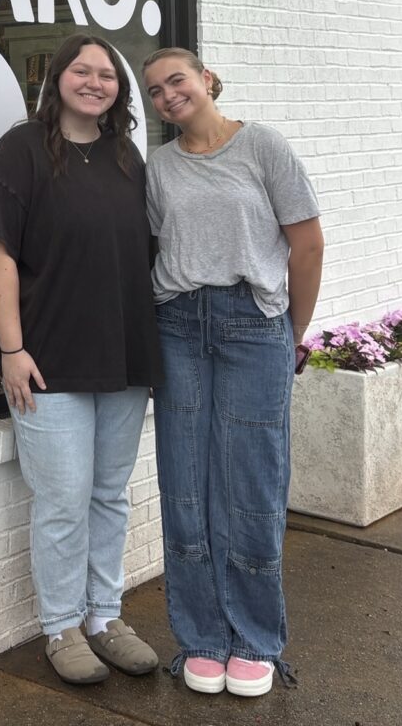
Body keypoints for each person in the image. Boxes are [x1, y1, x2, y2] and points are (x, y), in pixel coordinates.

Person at [0, 33, 164, 685]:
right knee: (61, 500)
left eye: (108, 74)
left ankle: (105, 615)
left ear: (119, 91)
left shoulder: (127, 158)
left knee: (109, 495)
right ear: (57, 80)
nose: (95, 81)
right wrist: (13, 350)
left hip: (125, 354)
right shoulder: (19, 151)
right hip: (47, 361)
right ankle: (61, 628)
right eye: (83, 70)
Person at [141, 47, 324, 697]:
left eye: (177, 80)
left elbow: (307, 245)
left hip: (255, 325)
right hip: (179, 328)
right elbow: (157, 249)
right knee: (186, 486)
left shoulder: (263, 148)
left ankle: (253, 638)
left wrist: (288, 334)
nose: (168, 95)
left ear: (207, 79)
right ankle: (201, 636)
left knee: (252, 481)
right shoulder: (158, 168)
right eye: (156, 91)